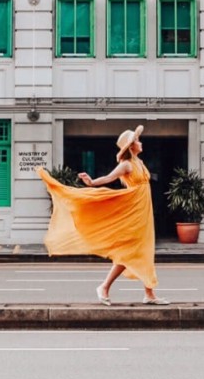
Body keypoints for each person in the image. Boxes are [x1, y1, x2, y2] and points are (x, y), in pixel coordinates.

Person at [37, 124, 165, 304]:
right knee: (134, 250)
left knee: (142, 250)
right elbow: (108, 178)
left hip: (143, 210)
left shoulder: (140, 163)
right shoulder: (126, 165)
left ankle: (147, 293)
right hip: (133, 210)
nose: (140, 142)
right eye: (137, 140)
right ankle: (109, 287)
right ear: (131, 146)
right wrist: (91, 182)